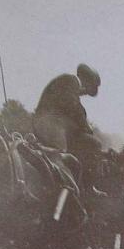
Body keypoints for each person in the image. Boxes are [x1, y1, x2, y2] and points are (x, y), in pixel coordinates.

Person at [33, 63, 103, 194]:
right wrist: (86, 128)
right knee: (95, 145)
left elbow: (74, 108)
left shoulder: (66, 83)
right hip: (51, 124)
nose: (85, 93)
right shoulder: (72, 81)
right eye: (87, 90)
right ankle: (88, 189)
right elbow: (74, 108)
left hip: (46, 123)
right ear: (86, 80)